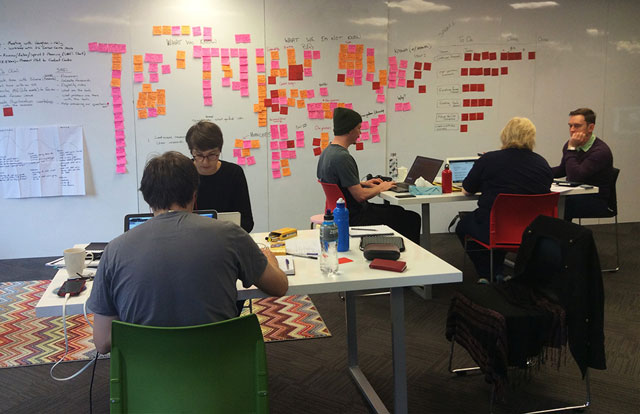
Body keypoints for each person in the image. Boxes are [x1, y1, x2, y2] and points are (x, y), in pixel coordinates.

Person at [87, 151, 288, 354]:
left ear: (147, 198)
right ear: (194, 194)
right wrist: (270, 260)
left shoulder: (114, 250)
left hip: (146, 382)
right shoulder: (230, 235)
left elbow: (102, 342)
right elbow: (279, 286)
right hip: (221, 376)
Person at [455, 117, 553, 283]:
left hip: (494, 228)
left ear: (505, 135)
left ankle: (488, 273)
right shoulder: (542, 163)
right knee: (496, 224)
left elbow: (467, 190)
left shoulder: (489, 159)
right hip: (532, 231)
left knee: (462, 225)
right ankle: (499, 272)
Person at [316, 107, 421, 245]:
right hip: (356, 217)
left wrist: (364, 184)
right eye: (358, 128)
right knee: (411, 218)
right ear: (349, 130)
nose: (360, 133)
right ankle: (407, 255)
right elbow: (360, 196)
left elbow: (340, 185)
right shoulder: (342, 157)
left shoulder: (327, 152)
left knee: (398, 211)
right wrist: (381, 187)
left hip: (342, 213)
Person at [186, 121, 254, 232]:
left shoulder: (234, 173)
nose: (205, 162)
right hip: (190, 237)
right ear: (191, 151)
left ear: (220, 150)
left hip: (226, 238)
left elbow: (247, 222)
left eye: (212, 155)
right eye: (199, 155)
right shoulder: (182, 173)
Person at [552, 108, 614, 221]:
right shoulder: (571, 145)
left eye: (577, 126)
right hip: (576, 195)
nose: (572, 130)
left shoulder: (600, 151)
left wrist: (571, 149)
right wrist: (540, 171)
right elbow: (563, 169)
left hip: (595, 200)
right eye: (570, 126)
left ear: (590, 128)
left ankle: (564, 237)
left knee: (560, 205)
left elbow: (575, 176)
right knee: (550, 201)